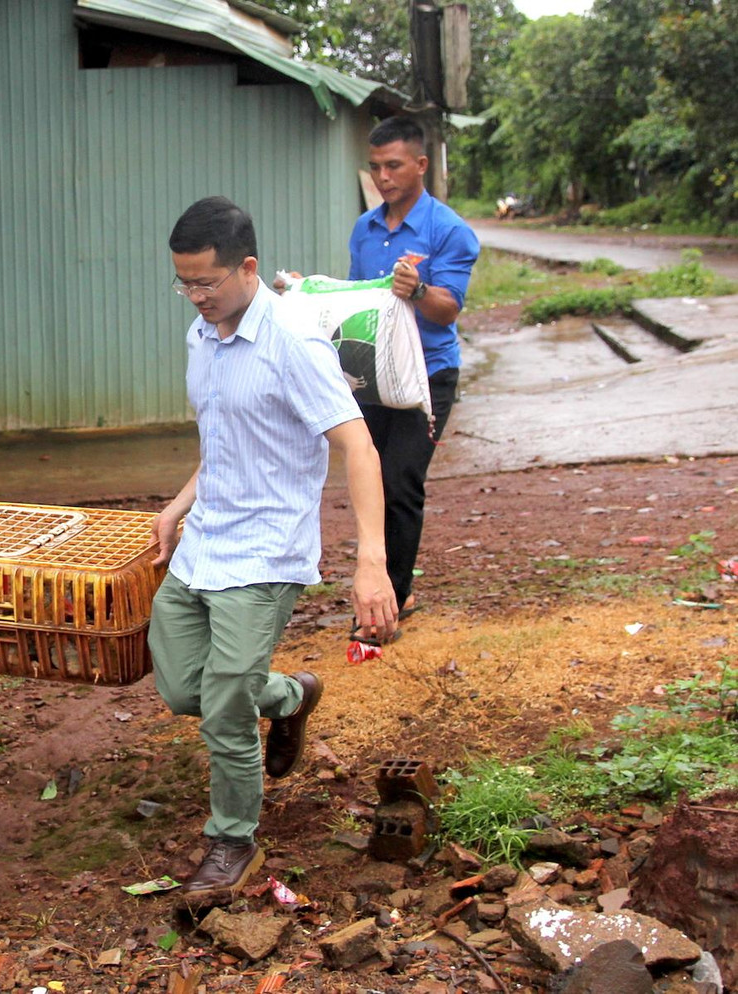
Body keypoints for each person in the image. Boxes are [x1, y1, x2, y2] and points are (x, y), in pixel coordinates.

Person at [150, 197, 397, 905]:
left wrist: (371, 561)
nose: (195, 299)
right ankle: (290, 697)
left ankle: (232, 840)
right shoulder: (203, 334)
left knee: (225, 706)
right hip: (207, 541)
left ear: (247, 268)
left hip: (265, 551)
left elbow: (358, 446)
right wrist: (178, 504)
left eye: (206, 283)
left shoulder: (293, 342)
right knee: (181, 687)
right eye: (183, 284)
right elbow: (225, 435)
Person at [348, 116, 480, 636]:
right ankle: (373, 582)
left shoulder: (448, 229)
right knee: (369, 481)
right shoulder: (365, 228)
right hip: (373, 376)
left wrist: (419, 290)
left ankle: (389, 606)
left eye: (394, 166)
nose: (383, 177)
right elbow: (362, 301)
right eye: (376, 167)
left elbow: (449, 311)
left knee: (401, 481)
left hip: (427, 378)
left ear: (421, 165)